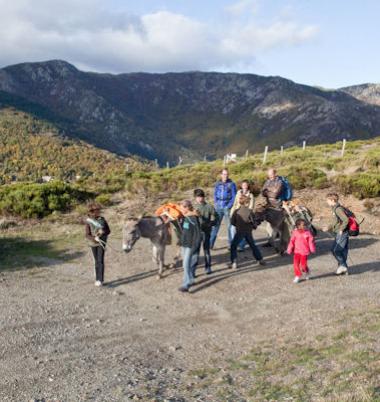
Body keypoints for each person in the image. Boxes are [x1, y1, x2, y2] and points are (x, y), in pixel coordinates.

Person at [230, 194, 265, 269]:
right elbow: (253, 222)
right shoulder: (250, 212)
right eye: (248, 202)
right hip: (248, 231)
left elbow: (232, 222)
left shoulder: (236, 211)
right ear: (246, 203)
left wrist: (238, 225)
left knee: (233, 246)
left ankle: (234, 262)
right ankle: (260, 259)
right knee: (253, 245)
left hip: (239, 231)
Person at [210, 168, 237, 249]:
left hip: (227, 207)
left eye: (227, 174)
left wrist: (229, 205)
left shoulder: (231, 184)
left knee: (229, 226)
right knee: (215, 226)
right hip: (218, 207)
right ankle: (210, 244)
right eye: (224, 174)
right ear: (221, 175)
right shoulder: (217, 184)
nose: (225, 176)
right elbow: (215, 194)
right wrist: (216, 203)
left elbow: (234, 196)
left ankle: (230, 244)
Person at [178, 200, 202, 292]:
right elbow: (185, 230)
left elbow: (197, 233)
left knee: (185, 264)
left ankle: (186, 284)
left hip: (191, 245)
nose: (180, 209)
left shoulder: (193, 218)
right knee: (189, 263)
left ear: (187, 207)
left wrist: (195, 245)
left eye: (182, 208)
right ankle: (191, 279)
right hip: (184, 243)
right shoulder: (186, 217)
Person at [85, 203, 111, 287]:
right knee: (96, 261)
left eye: (99, 210)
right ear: (92, 211)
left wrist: (103, 233)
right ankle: (97, 279)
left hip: (101, 243)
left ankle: (101, 280)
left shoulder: (102, 220)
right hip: (93, 243)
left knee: (100, 260)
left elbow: (108, 231)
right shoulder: (88, 221)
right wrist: (94, 238)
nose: (99, 211)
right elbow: (87, 234)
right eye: (97, 210)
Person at [193, 189, 217, 275]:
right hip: (197, 233)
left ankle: (208, 267)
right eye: (197, 197)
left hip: (206, 232)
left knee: (206, 250)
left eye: (201, 196)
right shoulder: (193, 208)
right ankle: (193, 270)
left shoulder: (209, 207)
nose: (199, 199)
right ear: (195, 198)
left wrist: (211, 223)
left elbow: (216, 217)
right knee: (196, 252)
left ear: (204, 197)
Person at [325, 193, 350, 275]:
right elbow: (335, 221)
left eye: (328, 200)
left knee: (335, 250)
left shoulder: (338, 209)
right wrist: (328, 227)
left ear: (333, 200)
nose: (327, 202)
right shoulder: (336, 208)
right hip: (342, 232)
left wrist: (341, 229)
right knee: (343, 250)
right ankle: (343, 268)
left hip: (342, 232)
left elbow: (346, 220)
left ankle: (343, 266)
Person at [287, 218, 316, 283]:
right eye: (303, 225)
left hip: (304, 252)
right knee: (296, 264)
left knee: (303, 266)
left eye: (305, 225)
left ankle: (307, 271)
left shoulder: (308, 233)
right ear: (298, 226)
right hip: (297, 252)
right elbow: (291, 241)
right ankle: (298, 275)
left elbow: (310, 242)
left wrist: (312, 249)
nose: (305, 226)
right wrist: (289, 249)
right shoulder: (295, 233)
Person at [261, 168, 285, 247]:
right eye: (269, 174)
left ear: (275, 173)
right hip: (269, 205)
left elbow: (275, 194)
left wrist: (267, 191)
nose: (270, 176)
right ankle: (270, 242)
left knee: (278, 225)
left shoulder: (279, 182)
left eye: (271, 174)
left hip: (277, 206)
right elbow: (262, 192)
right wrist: (271, 191)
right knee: (269, 225)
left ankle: (282, 244)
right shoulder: (267, 181)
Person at [230, 179, 255, 251]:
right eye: (243, 185)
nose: (244, 186)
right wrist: (232, 212)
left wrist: (248, 214)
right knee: (232, 228)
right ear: (241, 185)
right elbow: (235, 203)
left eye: (246, 185)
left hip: (245, 214)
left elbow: (251, 206)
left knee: (243, 230)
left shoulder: (251, 195)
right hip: (237, 213)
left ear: (248, 186)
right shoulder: (238, 193)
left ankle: (241, 246)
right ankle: (234, 244)